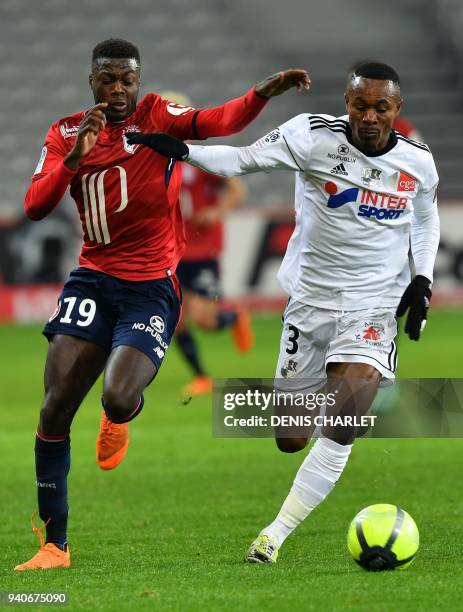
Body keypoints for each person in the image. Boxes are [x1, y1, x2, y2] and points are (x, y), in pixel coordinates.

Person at [124, 61, 440, 563]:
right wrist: (182, 150)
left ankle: (274, 534)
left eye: (381, 107)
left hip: (373, 303)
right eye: (360, 105)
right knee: (290, 436)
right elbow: (241, 161)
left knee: (344, 419)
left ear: (396, 109)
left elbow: (425, 219)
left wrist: (421, 279)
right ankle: (336, 399)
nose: (370, 116)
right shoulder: (311, 137)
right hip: (309, 303)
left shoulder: (418, 162)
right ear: (346, 102)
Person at [15, 37, 310, 571]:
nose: (121, 88)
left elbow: (219, 122)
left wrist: (262, 92)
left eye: (129, 78)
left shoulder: (157, 115)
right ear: (92, 82)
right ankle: (54, 546)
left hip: (150, 286)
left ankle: (121, 414)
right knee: (54, 407)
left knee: (117, 396)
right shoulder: (64, 132)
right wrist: (73, 161)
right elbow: (35, 206)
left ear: (139, 79)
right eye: (109, 79)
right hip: (91, 281)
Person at [160, 92, 252, 396]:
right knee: (174, 320)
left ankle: (234, 315)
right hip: (169, 252)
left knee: (203, 319)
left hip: (201, 249)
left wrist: (216, 211)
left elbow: (237, 189)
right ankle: (202, 377)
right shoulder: (153, 157)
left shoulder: (198, 157)